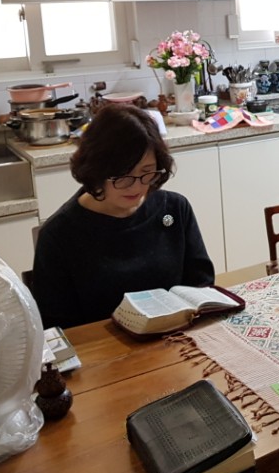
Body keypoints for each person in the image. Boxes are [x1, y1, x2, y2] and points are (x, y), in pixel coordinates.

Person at [32, 104, 214, 329]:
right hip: (103, 348)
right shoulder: (59, 235)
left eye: (146, 172)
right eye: (122, 175)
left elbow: (201, 285)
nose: (136, 187)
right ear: (96, 169)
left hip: (176, 338)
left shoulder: (175, 209)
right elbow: (57, 327)